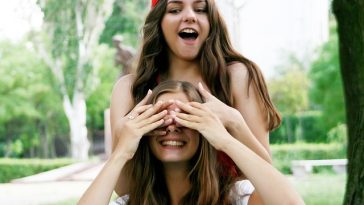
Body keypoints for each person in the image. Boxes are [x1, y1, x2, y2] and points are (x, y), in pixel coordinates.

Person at [110, 0, 281, 196]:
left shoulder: (238, 77)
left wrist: (234, 122)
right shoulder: (129, 89)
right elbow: (125, 190)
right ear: (159, 21)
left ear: (211, 20)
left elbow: (268, 180)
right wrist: (122, 140)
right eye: (175, 9)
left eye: (200, 9)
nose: (190, 16)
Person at [78, 81, 303, 205]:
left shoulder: (235, 197)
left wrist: (227, 135)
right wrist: (121, 152)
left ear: (204, 131)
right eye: (160, 118)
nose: (172, 126)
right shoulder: (131, 203)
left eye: (186, 117)